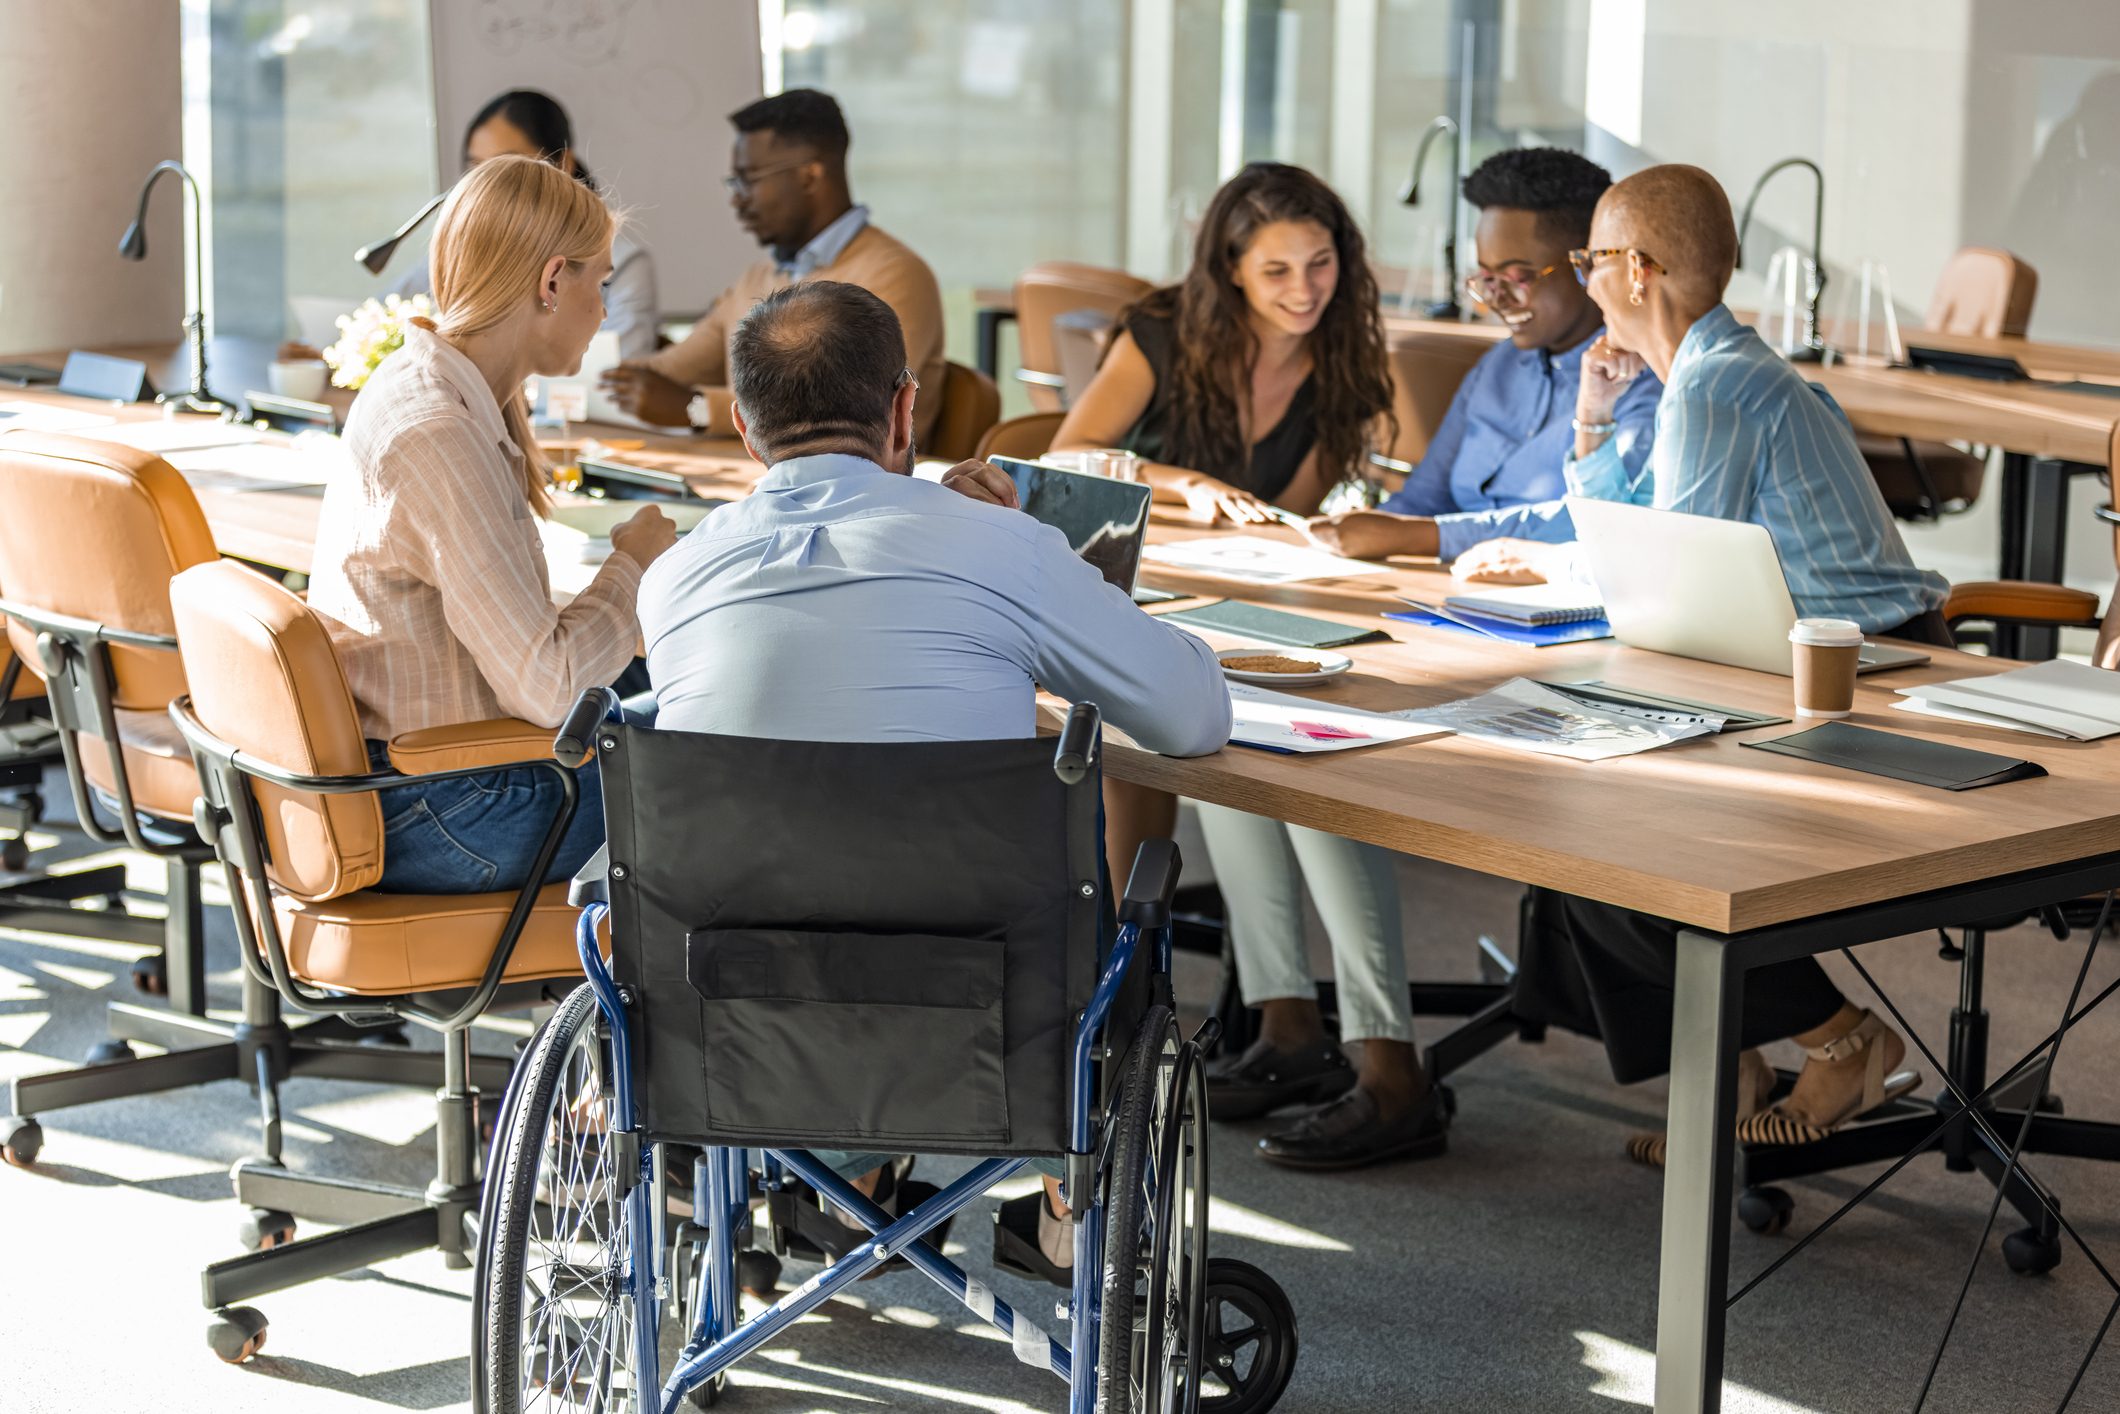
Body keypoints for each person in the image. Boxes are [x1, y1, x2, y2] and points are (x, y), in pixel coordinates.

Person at [637, 278, 1230, 1282]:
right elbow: (1190, 717)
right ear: (906, 408)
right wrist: (993, 546)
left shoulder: (674, 580)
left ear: (742, 429)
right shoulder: (1001, 549)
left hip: (736, 1026)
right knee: (1119, 899)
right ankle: (1062, 1211)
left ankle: (848, 1182)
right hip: (991, 1028)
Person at [1512, 163, 1945, 1161]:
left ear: (1635, 267)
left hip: (1865, 676)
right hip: (1787, 664)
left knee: (1602, 835)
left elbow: (1658, 588)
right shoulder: (1705, 376)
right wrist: (1588, 419)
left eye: (1588, 262)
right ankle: (1735, 1061)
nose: (1581, 284)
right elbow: (1658, 555)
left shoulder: (1717, 388)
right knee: (1585, 833)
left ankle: (1842, 1038)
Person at [1051, 162, 1445, 1171]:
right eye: (1276, 269)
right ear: (1229, 269)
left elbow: (1304, 513)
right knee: (1234, 743)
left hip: (1257, 603)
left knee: (1271, 751)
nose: (1303, 290)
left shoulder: (1343, 357)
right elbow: (1070, 455)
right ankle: (1291, 1027)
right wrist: (1189, 485)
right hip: (1144, 599)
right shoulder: (1158, 332)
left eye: (1319, 265)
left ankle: (1337, 1042)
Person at [308, 155, 677, 894]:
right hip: (449, 810)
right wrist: (633, 564)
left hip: (427, 784)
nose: (604, 309)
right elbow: (548, 689)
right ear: (551, 282)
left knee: (680, 689)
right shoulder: (439, 432)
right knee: (740, 767)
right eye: (599, 283)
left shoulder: (428, 382)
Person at [1306, 147, 1661, 563]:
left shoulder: (1641, 377)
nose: (1496, 300)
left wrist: (1424, 538)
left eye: (1516, 276)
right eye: (1486, 278)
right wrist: (1357, 533)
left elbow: (1596, 525)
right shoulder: (1497, 367)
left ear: (1587, 264)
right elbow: (1424, 498)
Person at [600, 88, 947, 445]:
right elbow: (670, 370)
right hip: (764, 482)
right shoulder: (760, 277)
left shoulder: (894, 273)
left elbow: (852, 412)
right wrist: (586, 371)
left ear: (810, 176)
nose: (736, 199)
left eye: (749, 180)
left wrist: (699, 408)